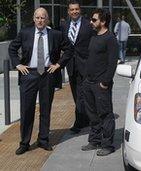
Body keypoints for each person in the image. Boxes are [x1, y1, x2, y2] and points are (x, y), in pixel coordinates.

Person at [8, 7, 73, 155]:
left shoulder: (55, 34)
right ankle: (24, 143)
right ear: (33, 18)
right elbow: (12, 48)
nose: (40, 20)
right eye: (37, 17)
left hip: (47, 75)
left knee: (45, 109)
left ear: (47, 19)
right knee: (26, 110)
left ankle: (43, 140)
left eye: (43, 17)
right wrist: (17, 64)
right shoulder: (25, 32)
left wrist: (58, 65)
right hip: (28, 75)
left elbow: (69, 49)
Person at [81, 9, 118, 156]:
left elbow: (112, 63)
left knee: (105, 115)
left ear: (103, 22)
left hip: (101, 84)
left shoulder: (110, 39)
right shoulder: (94, 36)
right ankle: (95, 140)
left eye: (94, 20)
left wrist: (105, 82)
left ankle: (108, 145)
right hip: (88, 82)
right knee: (92, 114)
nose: (91, 22)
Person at [61, 0, 95, 134]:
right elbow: (63, 44)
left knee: (83, 93)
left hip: (85, 64)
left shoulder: (89, 24)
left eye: (76, 9)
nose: (74, 11)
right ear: (68, 11)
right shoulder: (64, 25)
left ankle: (79, 121)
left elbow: (94, 44)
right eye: (72, 10)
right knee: (76, 94)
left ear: (80, 10)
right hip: (71, 65)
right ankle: (85, 118)